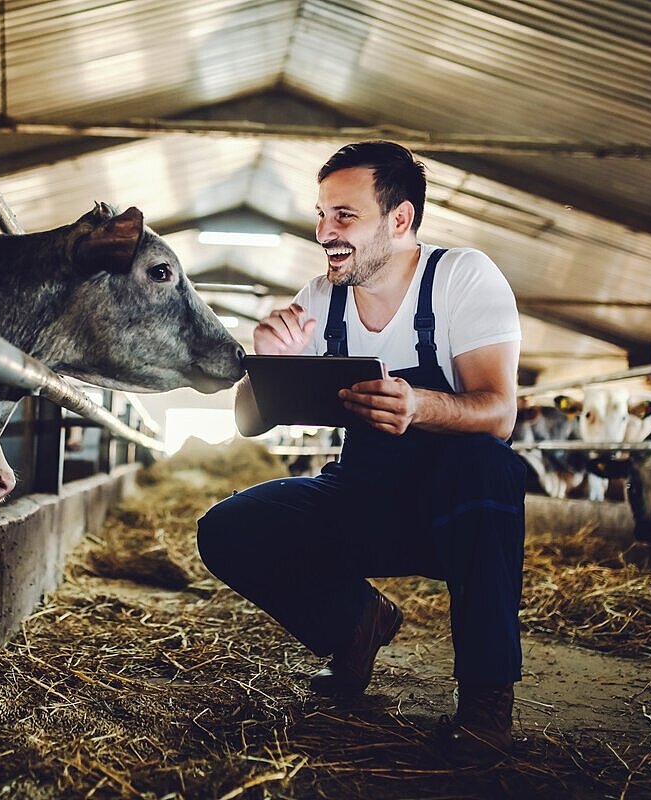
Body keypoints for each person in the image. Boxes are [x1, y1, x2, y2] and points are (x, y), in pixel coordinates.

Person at [197, 141, 526, 764]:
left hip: (456, 505)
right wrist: (269, 365)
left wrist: (421, 406)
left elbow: (498, 412)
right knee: (227, 529)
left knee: (488, 465)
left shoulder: (461, 277)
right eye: (322, 215)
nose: (325, 232)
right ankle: (354, 623)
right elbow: (246, 422)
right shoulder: (323, 298)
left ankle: (486, 699)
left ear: (399, 219)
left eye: (344, 215)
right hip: (366, 488)